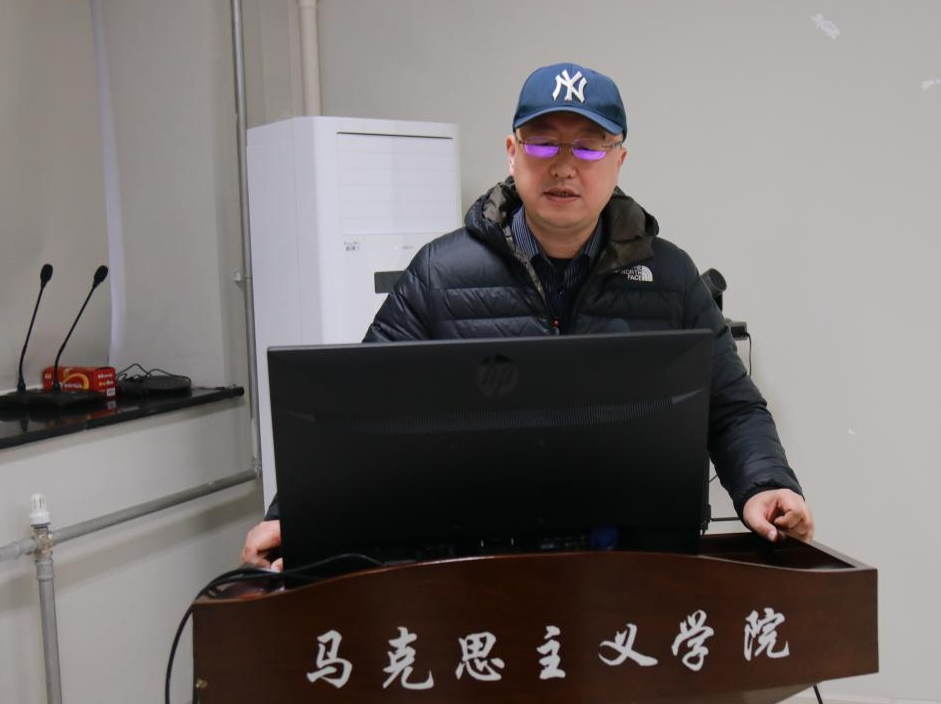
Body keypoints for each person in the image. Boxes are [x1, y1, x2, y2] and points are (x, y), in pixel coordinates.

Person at [240, 62, 812, 570]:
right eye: (542, 144)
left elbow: (732, 408)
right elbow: (357, 412)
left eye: (589, 147)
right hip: (477, 567)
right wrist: (294, 516)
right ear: (512, 152)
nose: (564, 166)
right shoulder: (441, 274)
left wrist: (765, 485)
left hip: (632, 565)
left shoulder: (670, 277)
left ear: (619, 160)